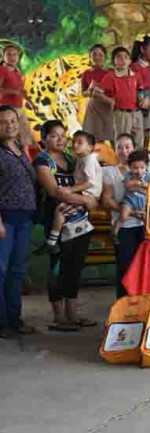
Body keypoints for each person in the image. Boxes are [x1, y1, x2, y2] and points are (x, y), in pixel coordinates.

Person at [34, 120, 97, 331]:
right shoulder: (43, 161)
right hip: (57, 223)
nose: (60, 139)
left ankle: (73, 314)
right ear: (44, 139)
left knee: (74, 268)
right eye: (54, 135)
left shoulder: (73, 160)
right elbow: (54, 192)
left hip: (79, 223)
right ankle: (59, 317)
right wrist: (87, 201)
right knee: (57, 267)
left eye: (63, 135)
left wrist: (91, 200)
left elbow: (90, 187)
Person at [101, 134, 150, 298]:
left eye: (127, 147)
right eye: (119, 147)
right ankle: (124, 305)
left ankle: (145, 302)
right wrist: (131, 212)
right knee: (125, 266)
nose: (123, 151)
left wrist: (146, 213)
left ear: (134, 148)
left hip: (146, 225)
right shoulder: (110, 172)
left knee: (147, 267)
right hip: (125, 226)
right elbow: (106, 200)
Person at [0, 105, 36, 337]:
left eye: (13, 120)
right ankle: (2, 323)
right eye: (4, 122)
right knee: (1, 271)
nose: (10, 125)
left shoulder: (20, 149)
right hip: (5, 218)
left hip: (25, 217)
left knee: (17, 272)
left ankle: (15, 319)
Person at [45, 131, 102, 254]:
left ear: (90, 147)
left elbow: (89, 183)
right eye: (74, 142)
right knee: (61, 212)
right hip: (83, 193)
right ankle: (54, 241)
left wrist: (70, 189)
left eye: (80, 142)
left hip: (87, 194)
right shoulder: (80, 159)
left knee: (61, 211)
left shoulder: (89, 160)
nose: (75, 145)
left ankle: (52, 242)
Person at [98, 46, 145, 149]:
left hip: (137, 113)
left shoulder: (136, 76)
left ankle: (137, 162)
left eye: (125, 57)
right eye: (119, 57)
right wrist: (109, 100)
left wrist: (143, 100)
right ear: (113, 62)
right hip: (121, 113)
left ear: (130, 61)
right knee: (122, 141)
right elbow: (98, 93)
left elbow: (141, 90)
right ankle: (122, 162)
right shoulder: (111, 76)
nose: (123, 60)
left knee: (139, 139)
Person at [0, 44, 36, 152]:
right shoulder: (2, 70)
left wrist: (30, 102)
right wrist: (13, 91)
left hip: (19, 109)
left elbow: (21, 91)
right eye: (9, 54)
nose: (12, 57)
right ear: (3, 56)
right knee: (11, 140)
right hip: (7, 110)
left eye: (15, 54)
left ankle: (26, 163)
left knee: (25, 139)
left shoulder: (17, 72)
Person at [111, 150, 150, 239]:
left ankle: (148, 233)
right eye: (135, 168)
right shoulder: (129, 175)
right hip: (129, 200)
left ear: (146, 166)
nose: (139, 171)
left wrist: (145, 185)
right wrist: (136, 182)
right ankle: (116, 229)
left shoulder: (148, 176)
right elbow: (127, 186)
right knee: (123, 215)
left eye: (142, 167)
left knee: (146, 218)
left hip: (143, 202)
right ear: (129, 167)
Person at [80, 44, 113, 142]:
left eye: (100, 55)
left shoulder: (111, 72)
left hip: (109, 106)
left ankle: (117, 157)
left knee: (113, 136)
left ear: (105, 57)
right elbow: (83, 93)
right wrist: (90, 89)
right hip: (94, 108)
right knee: (95, 137)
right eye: (94, 55)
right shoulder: (86, 73)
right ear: (90, 57)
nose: (97, 57)